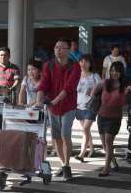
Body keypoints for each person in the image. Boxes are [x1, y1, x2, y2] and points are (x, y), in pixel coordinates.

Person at [35, 38, 81, 180]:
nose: (58, 50)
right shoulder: (48, 65)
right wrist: (38, 100)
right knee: (56, 138)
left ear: (68, 50)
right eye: (56, 47)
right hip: (52, 107)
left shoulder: (75, 67)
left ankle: (67, 166)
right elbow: (43, 85)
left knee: (65, 134)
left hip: (68, 105)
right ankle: (63, 164)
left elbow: (69, 87)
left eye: (61, 48)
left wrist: (53, 101)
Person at [94, 61, 131, 176]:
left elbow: (124, 103)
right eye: (112, 70)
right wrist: (92, 92)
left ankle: (106, 169)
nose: (114, 73)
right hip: (101, 116)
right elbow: (93, 91)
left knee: (108, 141)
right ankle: (112, 160)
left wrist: (127, 92)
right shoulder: (105, 82)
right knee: (105, 145)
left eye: (117, 71)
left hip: (114, 118)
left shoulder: (125, 86)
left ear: (121, 72)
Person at [74, 54, 101, 162]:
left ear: (90, 64)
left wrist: (93, 92)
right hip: (79, 106)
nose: (83, 63)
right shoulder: (76, 75)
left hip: (91, 106)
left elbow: (102, 88)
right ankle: (92, 148)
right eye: (81, 61)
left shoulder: (95, 76)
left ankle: (81, 153)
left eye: (86, 61)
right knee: (86, 130)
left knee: (85, 129)